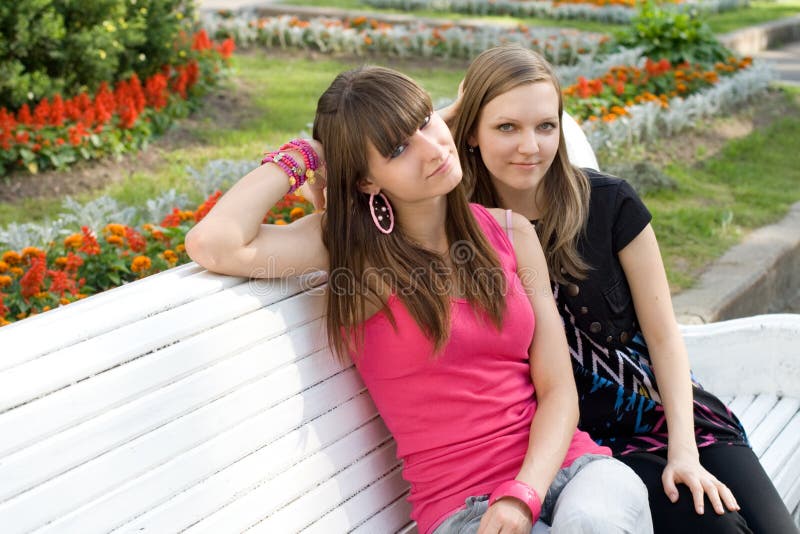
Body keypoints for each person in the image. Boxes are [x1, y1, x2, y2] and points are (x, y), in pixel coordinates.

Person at [185, 65, 652, 534]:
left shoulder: (511, 233)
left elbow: (558, 392)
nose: (433, 148)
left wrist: (524, 495)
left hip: (570, 472)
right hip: (464, 507)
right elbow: (216, 243)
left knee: (592, 523)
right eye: (398, 148)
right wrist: (305, 155)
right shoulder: (353, 253)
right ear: (367, 179)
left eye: (427, 121)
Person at [447, 44, 798, 534]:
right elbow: (359, 180)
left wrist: (685, 451)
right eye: (507, 127)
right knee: (722, 529)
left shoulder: (608, 202)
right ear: (470, 134)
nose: (530, 146)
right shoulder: (460, 229)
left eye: (546, 126)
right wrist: (455, 111)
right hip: (591, 452)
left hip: (676, 419)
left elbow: (663, 337)